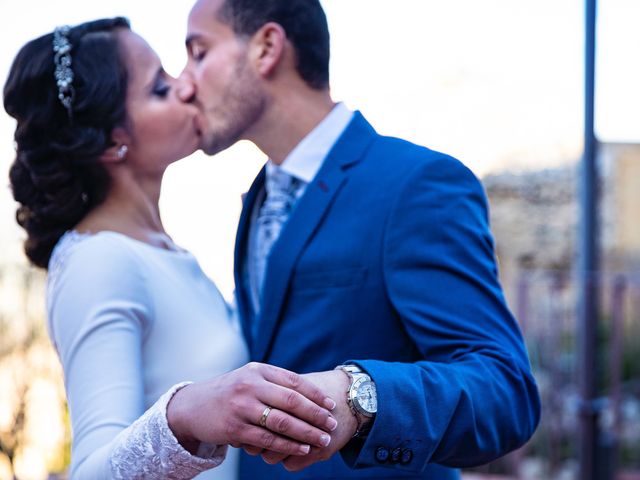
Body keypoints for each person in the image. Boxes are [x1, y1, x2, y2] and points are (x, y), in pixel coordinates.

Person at [170, 0, 543, 478]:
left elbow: (505, 392)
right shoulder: (257, 200)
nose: (183, 83)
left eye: (199, 53)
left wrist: (360, 397)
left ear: (266, 47)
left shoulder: (416, 184)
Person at [4, 17, 340, 479]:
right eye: (159, 88)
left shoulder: (165, 251)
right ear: (112, 141)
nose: (186, 87)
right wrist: (183, 414)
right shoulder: (97, 262)